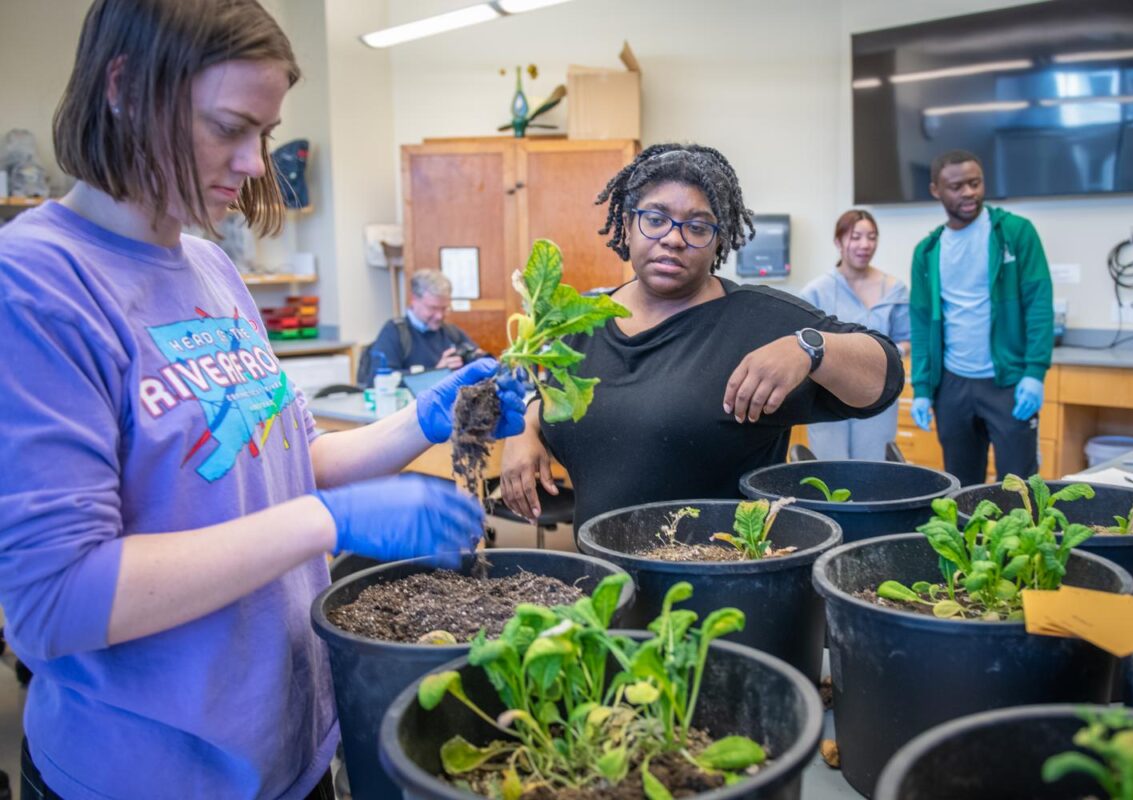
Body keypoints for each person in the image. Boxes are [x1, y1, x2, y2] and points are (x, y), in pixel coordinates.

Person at [0, 2, 526, 798]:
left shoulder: (212, 269)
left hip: (285, 752)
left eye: (266, 134)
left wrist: (425, 420)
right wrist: (327, 523)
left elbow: (291, 462)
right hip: (148, 776)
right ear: (126, 88)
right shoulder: (35, 285)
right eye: (229, 126)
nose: (254, 164)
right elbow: (56, 599)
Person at [500, 143, 905, 528]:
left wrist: (810, 348)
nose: (673, 238)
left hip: (719, 584)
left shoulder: (756, 319)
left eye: (697, 226)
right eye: (655, 219)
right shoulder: (584, 321)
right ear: (627, 224)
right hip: (605, 587)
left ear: (720, 240)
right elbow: (555, 395)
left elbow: (883, 376)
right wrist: (526, 428)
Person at [909, 149, 1053, 485]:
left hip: (1008, 384)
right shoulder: (928, 252)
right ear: (936, 191)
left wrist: (1035, 372)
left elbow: (1039, 304)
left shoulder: (1015, 233)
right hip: (953, 387)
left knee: (1019, 488)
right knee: (960, 487)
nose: (969, 193)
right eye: (957, 186)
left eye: (975, 183)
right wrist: (922, 388)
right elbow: (921, 323)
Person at [799, 210, 910, 460]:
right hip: (827, 396)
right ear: (838, 242)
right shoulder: (816, 293)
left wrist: (891, 354)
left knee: (874, 469)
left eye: (871, 237)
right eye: (855, 237)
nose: (864, 245)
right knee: (830, 470)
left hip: (877, 393)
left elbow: (906, 337)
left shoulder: (894, 289)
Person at [356, 268, 484, 384]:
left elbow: (480, 360)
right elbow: (379, 379)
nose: (439, 316)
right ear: (414, 300)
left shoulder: (451, 333)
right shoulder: (395, 332)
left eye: (444, 308)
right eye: (432, 308)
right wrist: (437, 373)